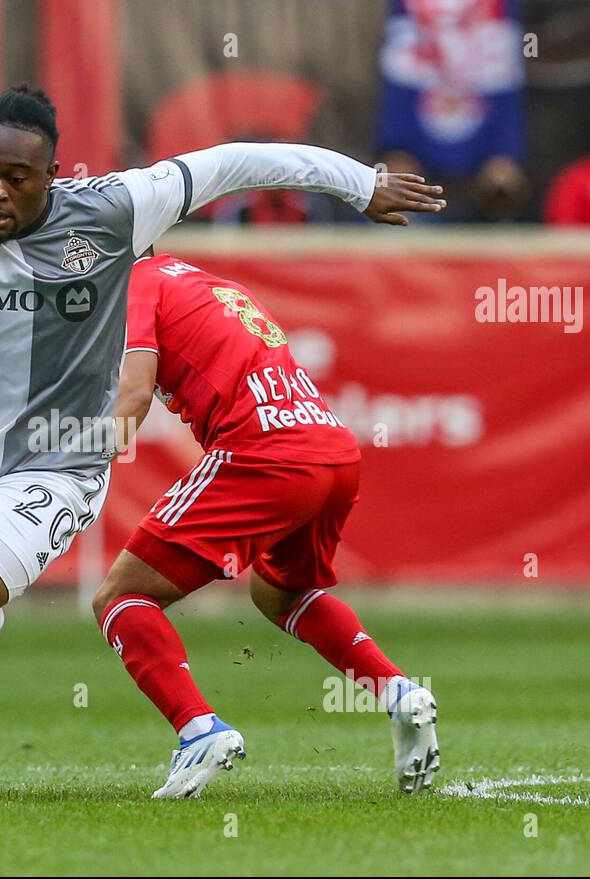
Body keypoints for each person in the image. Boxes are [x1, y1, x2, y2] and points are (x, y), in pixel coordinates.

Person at [0, 83, 445, 744]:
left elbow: (238, 163)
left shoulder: (113, 210)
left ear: (50, 175)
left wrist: (360, 184)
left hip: (55, 459)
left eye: (15, 178)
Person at [91, 251, 441, 798]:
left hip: (263, 453)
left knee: (120, 596)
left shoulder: (139, 283)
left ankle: (199, 730)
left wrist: (72, 458)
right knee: (281, 595)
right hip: (330, 449)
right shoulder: (208, 283)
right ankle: (400, 694)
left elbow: (134, 394)